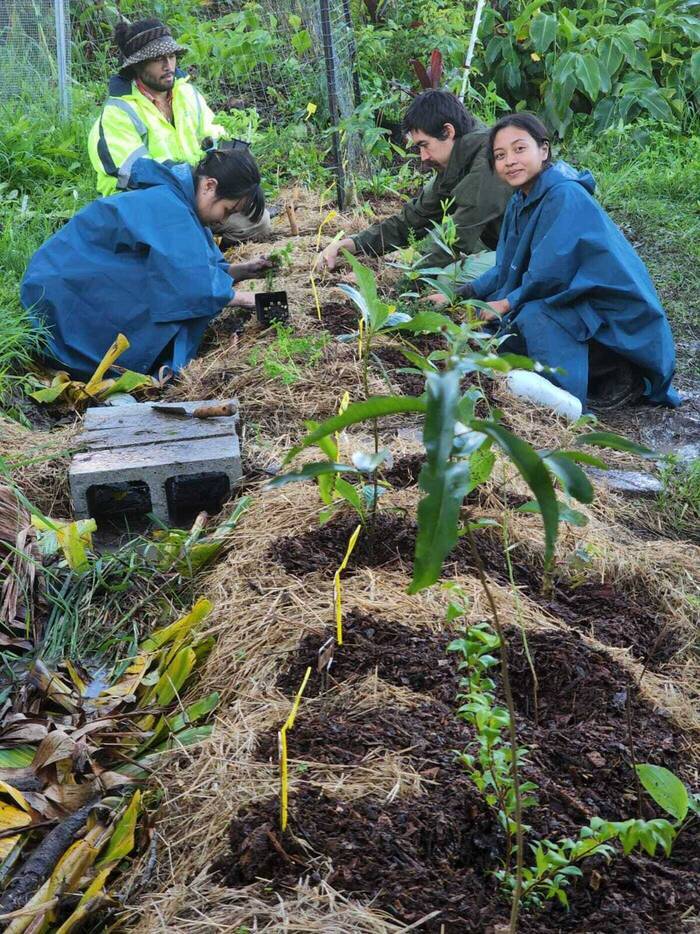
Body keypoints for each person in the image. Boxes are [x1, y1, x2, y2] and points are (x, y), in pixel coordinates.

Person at [432, 113, 679, 410]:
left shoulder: (564, 194)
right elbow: (505, 267)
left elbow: (551, 277)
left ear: (543, 151)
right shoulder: (519, 200)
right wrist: (459, 297)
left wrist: (504, 304)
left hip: (614, 316)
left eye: (519, 149)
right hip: (569, 299)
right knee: (496, 323)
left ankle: (594, 384)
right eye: (500, 155)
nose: (510, 160)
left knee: (532, 313)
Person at [22, 148, 270, 381]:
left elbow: (191, 263)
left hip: (58, 282)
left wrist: (240, 271)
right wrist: (243, 298)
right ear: (209, 186)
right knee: (174, 297)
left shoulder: (178, 199)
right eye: (227, 210)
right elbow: (189, 281)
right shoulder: (169, 207)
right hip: (58, 301)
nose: (223, 220)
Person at [87, 18, 271, 245]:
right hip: (145, 207)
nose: (168, 65)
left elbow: (214, 138)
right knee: (180, 233)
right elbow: (138, 174)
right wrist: (192, 182)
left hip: (195, 195)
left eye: (171, 56)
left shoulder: (187, 94)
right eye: (158, 59)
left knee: (258, 221)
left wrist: (231, 172)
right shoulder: (119, 112)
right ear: (137, 65)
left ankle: (204, 246)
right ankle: (195, 247)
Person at [318, 89, 510, 272]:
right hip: (509, 246)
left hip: (530, 259)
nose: (423, 157)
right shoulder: (459, 158)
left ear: (448, 131)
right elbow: (413, 220)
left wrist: (407, 285)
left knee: (452, 277)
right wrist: (352, 244)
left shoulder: (489, 158)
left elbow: (460, 235)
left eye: (424, 145)